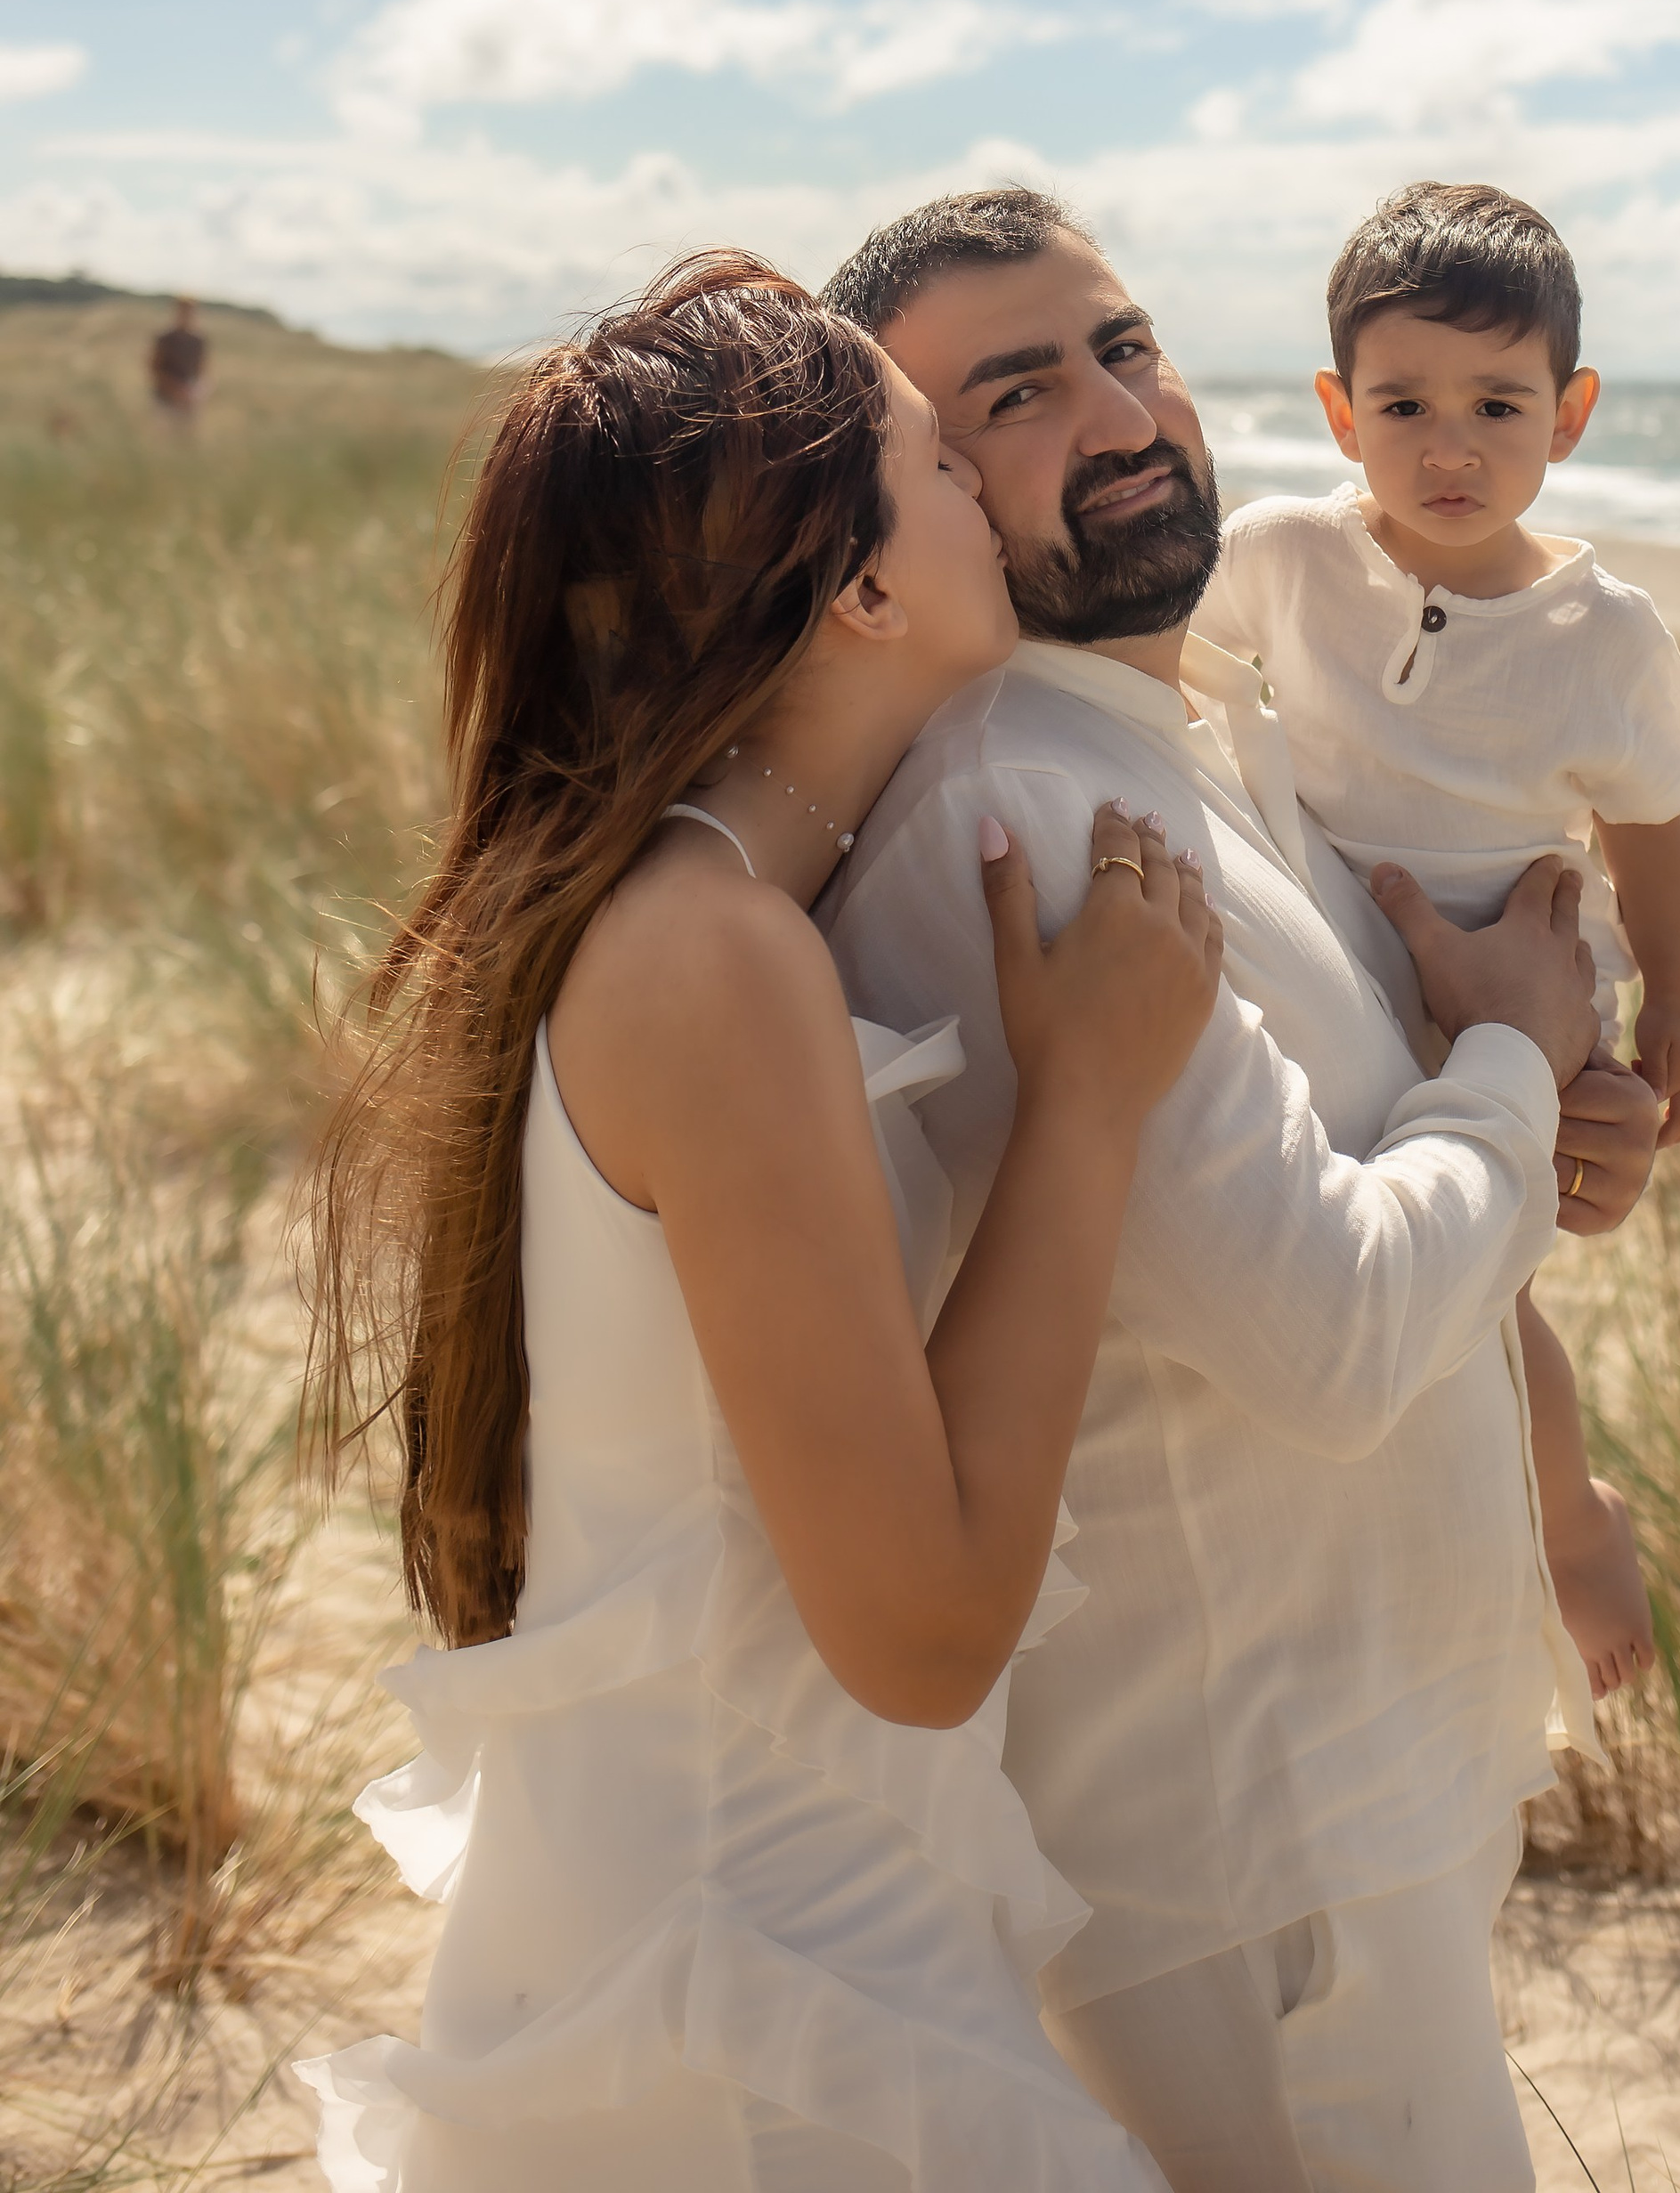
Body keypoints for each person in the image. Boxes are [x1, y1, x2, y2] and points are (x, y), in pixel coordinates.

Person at [297, 249, 1224, 2191]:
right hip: (764, 1995)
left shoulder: (695, 911)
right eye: (941, 463)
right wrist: (1086, 1102)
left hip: (758, 1917)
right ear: (864, 586)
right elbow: (918, 1631)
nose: (990, 487)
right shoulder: (712, 956)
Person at [819, 190, 1657, 2193]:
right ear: (910, 487)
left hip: (1357, 1772)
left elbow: (1412, 1161)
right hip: (1239, 1839)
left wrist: (1541, 1110)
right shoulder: (1016, 819)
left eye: (1123, 346)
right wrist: (1510, 1074)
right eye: (1013, 393)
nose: (1120, 416)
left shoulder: (1199, 736)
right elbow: (1338, 1332)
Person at [1196, 182, 1680, 1709]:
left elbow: (1649, 821)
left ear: (1566, 417)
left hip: (1516, 976)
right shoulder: (1283, 555)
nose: (1449, 446)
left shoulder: (1601, 631)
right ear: (1338, 409)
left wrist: (1677, 1005)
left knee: (1494, 1278)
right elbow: (1155, 665)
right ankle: (1432, 1545)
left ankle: (1571, 1521)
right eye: (1404, 403)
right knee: (1368, 1259)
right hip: (1328, 953)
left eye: (1497, 405)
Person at [149, 293, 208, 427]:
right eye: (183, 311)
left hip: (189, 399)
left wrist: (197, 392)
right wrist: (175, 390)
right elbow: (154, 369)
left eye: (190, 311)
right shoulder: (165, 338)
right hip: (165, 398)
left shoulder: (198, 341)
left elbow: (203, 370)